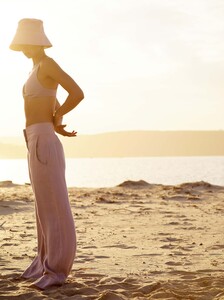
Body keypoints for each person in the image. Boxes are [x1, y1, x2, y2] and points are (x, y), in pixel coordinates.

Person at [9, 18, 84, 290]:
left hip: (43, 138)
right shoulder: (35, 68)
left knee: (54, 205)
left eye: (29, 42)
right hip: (34, 137)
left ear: (37, 41)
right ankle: (43, 262)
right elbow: (49, 96)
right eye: (22, 43)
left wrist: (57, 117)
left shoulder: (49, 64)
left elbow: (77, 93)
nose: (25, 47)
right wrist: (58, 123)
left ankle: (57, 270)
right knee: (42, 206)